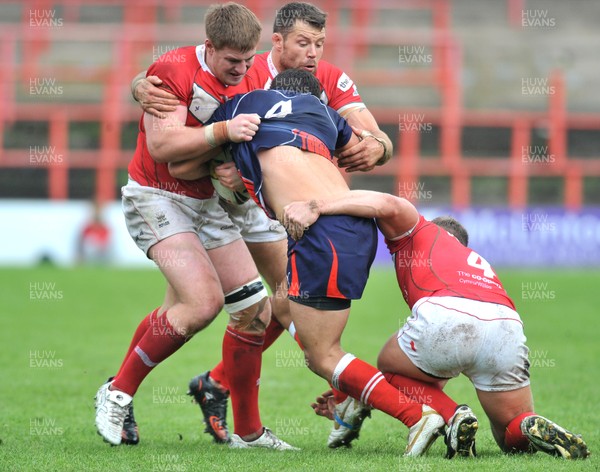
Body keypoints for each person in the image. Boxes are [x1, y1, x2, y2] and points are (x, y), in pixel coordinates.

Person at [130, 1, 394, 444]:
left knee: (280, 303)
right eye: (304, 43)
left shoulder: (326, 79)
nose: (313, 53)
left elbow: (376, 134)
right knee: (277, 303)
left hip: (297, 206)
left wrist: (378, 148)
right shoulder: (243, 70)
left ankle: (216, 384)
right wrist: (140, 86)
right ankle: (336, 392)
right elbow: (189, 120)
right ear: (278, 41)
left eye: (319, 44)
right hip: (245, 203)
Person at [169, 68, 448, 456]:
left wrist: (223, 165)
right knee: (282, 303)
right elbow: (359, 151)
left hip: (319, 232)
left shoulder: (245, 104)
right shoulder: (328, 117)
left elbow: (179, 162)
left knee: (322, 354)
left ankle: (414, 416)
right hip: (355, 224)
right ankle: (341, 393)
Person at [94, 3, 297, 451]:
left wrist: (239, 175)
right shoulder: (172, 68)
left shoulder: (257, 75)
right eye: (232, 61)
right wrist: (223, 133)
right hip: (156, 198)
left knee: (254, 312)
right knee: (201, 304)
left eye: (248, 60)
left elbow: (248, 145)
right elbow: (165, 145)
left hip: (207, 204)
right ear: (209, 47)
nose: (242, 70)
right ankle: (118, 393)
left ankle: (249, 432)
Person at [281, 190, 592, 460]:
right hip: (505, 325)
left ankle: (453, 415)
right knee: (510, 439)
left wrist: (316, 205)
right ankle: (527, 426)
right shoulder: (473, 261)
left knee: (390, 368)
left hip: (446, 315)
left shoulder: (421, 229)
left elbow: (388, 204)